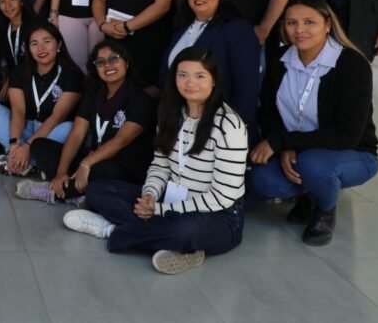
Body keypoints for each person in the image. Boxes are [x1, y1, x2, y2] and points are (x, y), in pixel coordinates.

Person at [63, 47, 247, 275]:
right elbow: (160, 165)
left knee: (184, 230)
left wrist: (160, 210)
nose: (190, 83)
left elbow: (223, 197)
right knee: (98, 189)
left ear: (214, 80)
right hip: (170, 197)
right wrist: (149, 196)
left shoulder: (229, 125)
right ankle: (180, 247)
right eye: (182, 75)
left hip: (217, 215)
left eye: (200, 76)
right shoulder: (171, 114)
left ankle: (111, 230)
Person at [248, 0, 378, 246]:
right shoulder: (279, 59)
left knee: (313, 165)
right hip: (296, 150)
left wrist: (283, 141)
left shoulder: (352, 65)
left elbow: (347, 135)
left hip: (353, 153)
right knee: (263, 179)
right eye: (291, 23)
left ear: (327, 24)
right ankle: (309, 192)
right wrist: (285, 147)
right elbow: (268, 112)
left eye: (309, 22)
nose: (299, 30)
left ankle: (325, 209)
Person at [14, 40, 155, 204]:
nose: (107, 65)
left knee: (102, 169)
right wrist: (61, 171)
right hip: (92, 157)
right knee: (39, 145)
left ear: (127, 63)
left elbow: (120, 141)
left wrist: (86, 164)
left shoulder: (141, 99)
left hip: (122, 166)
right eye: (100, 62)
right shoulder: (94, 95)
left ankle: (54, 192)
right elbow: (76, 134)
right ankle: (74, 192)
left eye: (114, 59)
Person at [160, 0, 261, 138]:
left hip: (218, 129)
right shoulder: (182, 26)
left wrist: (232, 132)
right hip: (178, 124)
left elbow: (246, 89)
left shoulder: (238, 29)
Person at [0, 22, 84, 175]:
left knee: (69, 128)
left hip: (52, 131)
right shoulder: (20, 71)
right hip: (25, 128)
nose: (41, 48)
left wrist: (28, 147)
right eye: (34, 43)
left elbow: (58, 117)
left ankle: (13, 163)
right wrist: (15, 144)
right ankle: (29, 164)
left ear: (59, 44)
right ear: (28, 48)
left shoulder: (72, 74)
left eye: (47, 41)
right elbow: (18, 111)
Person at [0, 0, 36, 100]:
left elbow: (35, 62)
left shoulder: (36, 28)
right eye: (2, 1)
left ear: (22, 1)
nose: (8, 5)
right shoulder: (0, 28)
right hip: (9, 80)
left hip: (33, 81)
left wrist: (12, 80)